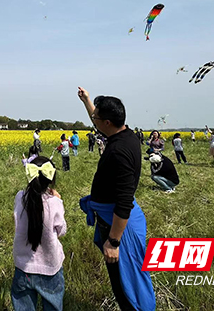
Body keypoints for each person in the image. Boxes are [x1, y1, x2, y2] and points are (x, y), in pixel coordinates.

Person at [76, 87, 155, 311]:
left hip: (119, 227)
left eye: (97, 117)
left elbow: (124, 202)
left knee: (126, 284)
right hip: (112, 220)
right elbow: (98, 120)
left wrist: (113, 242)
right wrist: (87, 101)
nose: (94, 119)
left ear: (108, 122)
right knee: (124, 280)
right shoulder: (124, 134)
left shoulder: (119, 151)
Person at [12, 156, 66, 310]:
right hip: (50, 267)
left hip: (23, 268)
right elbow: (61, 231)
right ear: (51, 179)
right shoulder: (55, 203)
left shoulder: (20, 197)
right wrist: (57, 200)